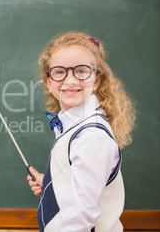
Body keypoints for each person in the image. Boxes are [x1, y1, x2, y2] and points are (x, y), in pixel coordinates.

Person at [27, 31, 136, 231]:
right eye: (59, 72)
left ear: (96, 79)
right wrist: (54, 185)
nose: (71, 80)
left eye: (81, 71)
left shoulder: (91, 137)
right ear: (48, 81)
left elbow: (80, 219)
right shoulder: (74, 127)